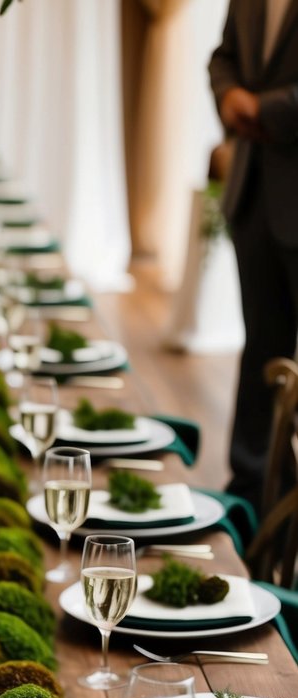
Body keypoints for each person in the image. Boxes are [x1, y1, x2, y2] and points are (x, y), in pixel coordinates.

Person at [209, 0, 298, 515]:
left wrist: (265, 111)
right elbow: (222, 58)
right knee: (261, 345)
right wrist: (230, 96)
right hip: (254, 194)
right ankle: (251, 493)